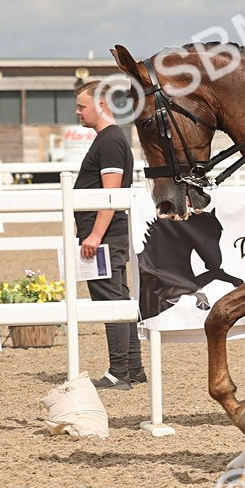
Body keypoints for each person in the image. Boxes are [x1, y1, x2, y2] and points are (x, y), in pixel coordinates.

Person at [74, 80, 141, 390]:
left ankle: (119, 371)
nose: (77, 112)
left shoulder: (110, 141)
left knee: (109, 299)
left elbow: (110, 194)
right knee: (119, 297)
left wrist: (95, 235)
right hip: (105, 234)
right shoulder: (109, 139)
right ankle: (133, 367)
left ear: (100, 105)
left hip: (104, 236)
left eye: (81, 106)